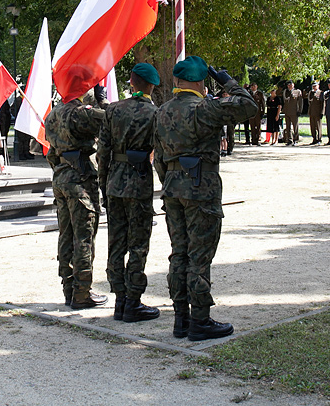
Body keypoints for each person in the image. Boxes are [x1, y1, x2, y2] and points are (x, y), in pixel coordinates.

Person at [153, 57, 256, 341]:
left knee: (180, 253)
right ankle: (200, 320)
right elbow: (249, 105)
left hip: (172, 189)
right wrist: (228, 82)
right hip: (201, 189)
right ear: (201, 83)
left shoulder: (161, 112)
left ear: (176, 81)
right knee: (199, 255)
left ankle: (180, 319)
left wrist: (170, 182)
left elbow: (159, 157)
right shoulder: (206, 108)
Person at [97, 63, 161, 323]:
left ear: (131, 84)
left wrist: (103, 184)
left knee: (116, 243)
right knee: (138, 245)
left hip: (114, 182)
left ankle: (120, 299)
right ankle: (133, 302)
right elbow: (161, 153)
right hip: (139, 182)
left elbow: (103, 152)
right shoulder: (154, 113)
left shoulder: (113, 110)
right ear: (152, 86)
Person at [45, 89, 106, 309]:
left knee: (66, 233)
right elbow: (110, 119)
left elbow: (49, 149)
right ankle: (82, 293)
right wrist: (102, 100)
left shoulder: (53, 114)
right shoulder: (81, 113)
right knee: (84, 236)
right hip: (80, 178)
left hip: (60, 175)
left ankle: (68, 289)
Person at [282, 81, 303, 146]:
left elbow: (300, 102)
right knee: (288, 127)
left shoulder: (297, 92)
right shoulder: (285, 92)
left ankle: (296, 140)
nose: (290, 86)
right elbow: (284, 101)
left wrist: (299, 110)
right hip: (287, 111)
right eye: (288, 85)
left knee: (295, 126)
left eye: (291, 85)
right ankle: (289, 140)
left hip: (294, 112)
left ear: (293, 85)